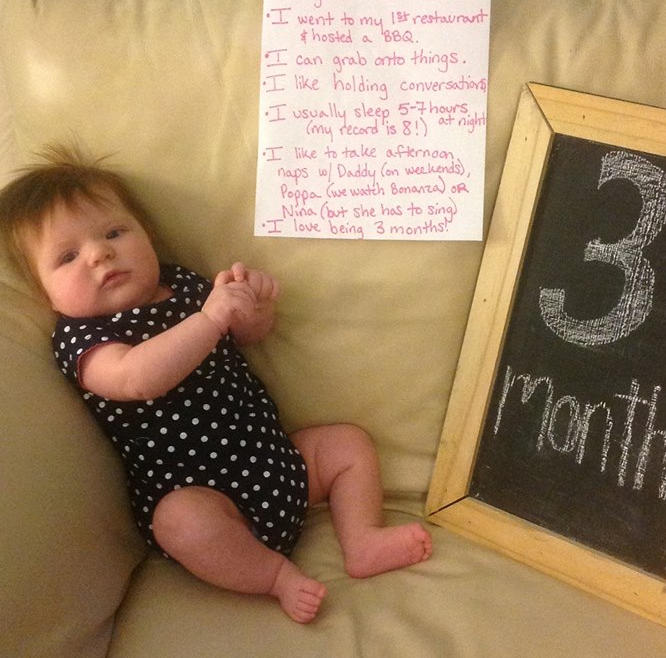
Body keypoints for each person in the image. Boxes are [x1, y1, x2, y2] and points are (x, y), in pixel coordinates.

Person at [0, 144, 432, 623]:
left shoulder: (183, 284)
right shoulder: (82, 337)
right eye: (67, 256)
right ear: (44, 293)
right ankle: (275, 576)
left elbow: (244, 335)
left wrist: (251, 307)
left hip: (277, 462)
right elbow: (136, 378)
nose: (100, 253)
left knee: (348, 444)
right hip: (204, 498)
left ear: (147, 234)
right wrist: (210, 318)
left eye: (114, 232)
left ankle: (363, 539)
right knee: (178, 522)